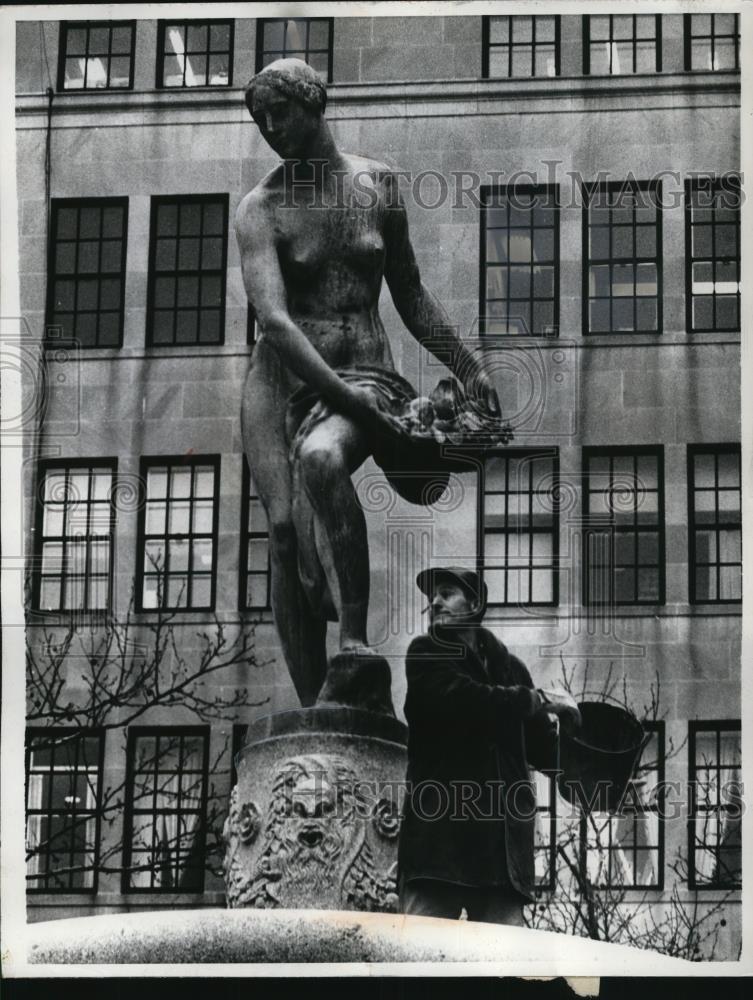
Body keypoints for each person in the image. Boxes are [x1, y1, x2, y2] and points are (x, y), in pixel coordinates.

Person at [237, 59, 501, 707]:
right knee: (282, 534)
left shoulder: (378, 186)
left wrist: (467, 365)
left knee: (323, 459)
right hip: (281, 383)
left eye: (282, 112)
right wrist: (329, 391)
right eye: (260, 119)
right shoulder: (261, 210)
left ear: (315, 105)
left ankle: (353, 642)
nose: (271, 128)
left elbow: (409, 292)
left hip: (365, 376)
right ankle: (311, 711)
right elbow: (272, 320)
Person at [397, 566, 580, 924]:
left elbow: (546, 752)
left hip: (501, 859)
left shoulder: (512, 670)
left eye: (447, 593)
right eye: (432, 597)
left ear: (475, 603)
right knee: (420, 967)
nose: (434, 602)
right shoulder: (425, 655)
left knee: (504, 973)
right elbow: (468, 700)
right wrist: (537, 699)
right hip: (438, 849)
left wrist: (578, 741)